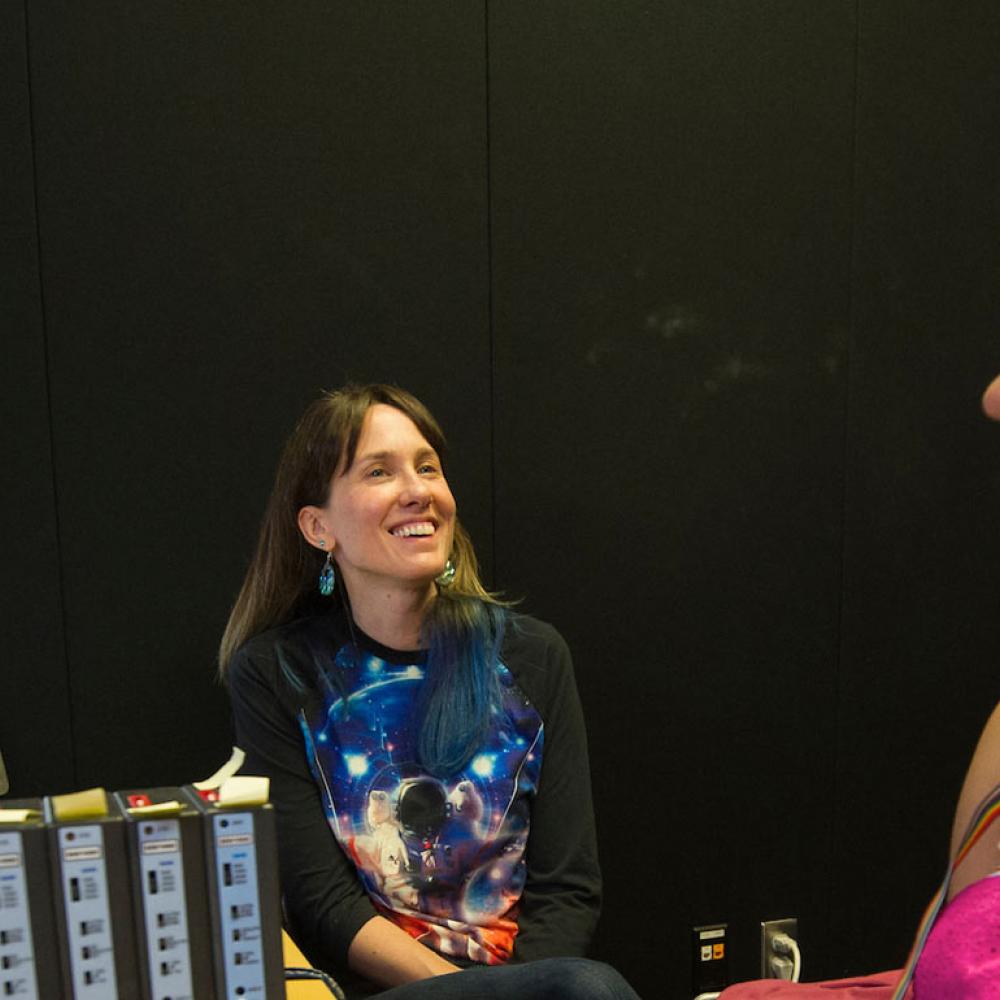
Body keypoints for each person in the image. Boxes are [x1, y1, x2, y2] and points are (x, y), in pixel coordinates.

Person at [220, 384, 640, 999]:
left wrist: (522, 992)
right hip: (380, 991)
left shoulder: (533, 655)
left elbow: (566, 887)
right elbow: (321, 901)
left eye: (427, 467)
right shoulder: (277, 673)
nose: (417, 490)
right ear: (318, 526)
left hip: (537, 986)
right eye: (379, 472)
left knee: (586, 988)